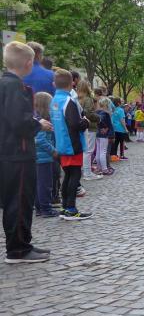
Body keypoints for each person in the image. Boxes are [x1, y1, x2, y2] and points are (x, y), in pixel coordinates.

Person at [1, 42, 54, 263]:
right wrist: (38, 124)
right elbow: (18, 121)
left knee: (17, 201)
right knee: (20, 202)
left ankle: (22, 243)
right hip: (18, 153)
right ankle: (18, 249)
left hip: (10, 152)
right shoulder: (14, 86)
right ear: (29, 62)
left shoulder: (5, 84)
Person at [51, 68, 91, 221]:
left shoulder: (54, 100)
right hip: (72, 144)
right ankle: (71, 209)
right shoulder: (69, 101)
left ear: (54, 84)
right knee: (74, 175)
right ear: (72, 83)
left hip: (61, 143)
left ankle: (64, 208)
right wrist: (85, 122)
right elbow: (75, 124)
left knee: (67, 175)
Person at [32, 92, 59, 219]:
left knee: (39, 184)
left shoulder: (36, 120)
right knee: (45, 184)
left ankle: (40, 207)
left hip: (38, 158)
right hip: (43, 158)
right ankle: (46, 209)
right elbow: (40, 140)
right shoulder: (43, 122)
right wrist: (53, 151)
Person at [77, 80, 101, 180]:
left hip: (83, 126)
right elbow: (88, 113)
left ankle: (85, 171)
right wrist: (98, 118)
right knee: (89, 150)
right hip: (90, 126)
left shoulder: (77, 98)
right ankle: (87, 173)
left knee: (85, 150)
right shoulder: (88, 99)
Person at [95, 97, 114, 175]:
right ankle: (104, 169)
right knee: (103, 151)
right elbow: (101, 120)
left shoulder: (97, 112)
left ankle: (99, 168)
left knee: (98, 151)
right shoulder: (104, 113)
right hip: (103, 134)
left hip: (98, 133)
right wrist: (105, 127)